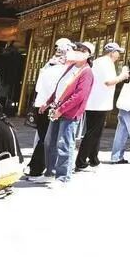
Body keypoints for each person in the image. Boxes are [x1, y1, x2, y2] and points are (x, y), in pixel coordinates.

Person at [40, 42, 94, 188]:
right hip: (58, 109)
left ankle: (63, 177)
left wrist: (61, 109)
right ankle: (50, 172)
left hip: (70, 112)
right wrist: (49, 102)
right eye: (77, 49)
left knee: (64, 144)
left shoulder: (86, 72)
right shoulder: (71, 67)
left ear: (89, 55)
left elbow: (79, 95)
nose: (78, 51)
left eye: (82, 50)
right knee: (50, 142)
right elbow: (60, 87)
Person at [77, 41, 125, 170]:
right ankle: (81, 161)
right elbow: (108, 82)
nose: (119, 55)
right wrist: (122, 76)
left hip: (95, 102)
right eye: (118, 52)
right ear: (112, 52)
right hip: (99, 103)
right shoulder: (106, 63)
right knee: (93, 133)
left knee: (95, 132)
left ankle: (94, 159)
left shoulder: (99, 62)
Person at [26, 38, 70, 179]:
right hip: (51, 106)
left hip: (41, 104)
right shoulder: (63, 71)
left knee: (42, 137)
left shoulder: (47, 67)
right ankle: (37, 168)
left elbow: (38, 88)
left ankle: (35, 167)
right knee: (48, 139)